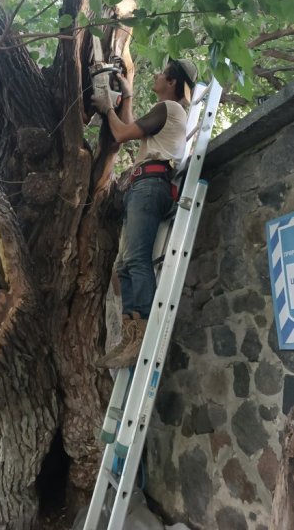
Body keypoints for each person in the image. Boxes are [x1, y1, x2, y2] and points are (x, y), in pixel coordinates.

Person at [92, 58, 198, 368]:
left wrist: (107, 108)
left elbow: (122, 134)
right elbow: (131, 127)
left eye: (162, 72)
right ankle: (131, 333)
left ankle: (140, 334)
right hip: (147, 186)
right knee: (125, 263)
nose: (156, 74)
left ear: (173, 82)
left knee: (135, 260)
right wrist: (127, 96)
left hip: (150, 185)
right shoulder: (167, 112)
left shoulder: (169, 109)